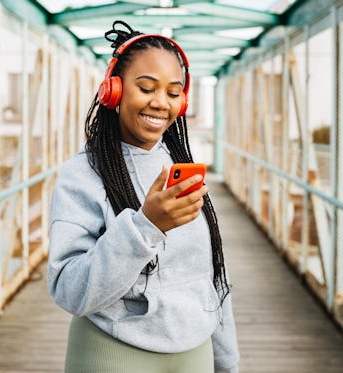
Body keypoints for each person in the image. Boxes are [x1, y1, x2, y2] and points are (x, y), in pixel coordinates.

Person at [47, 20, 240, 373]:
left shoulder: (178, 164)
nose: (159, 103)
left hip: (194, 353)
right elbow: (68, 290)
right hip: (113, 354)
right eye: (146, 87)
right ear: (113, 92)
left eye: (172, 92)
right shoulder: (83, 175)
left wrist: (227, 361)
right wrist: (146, 227)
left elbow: (209, 275)